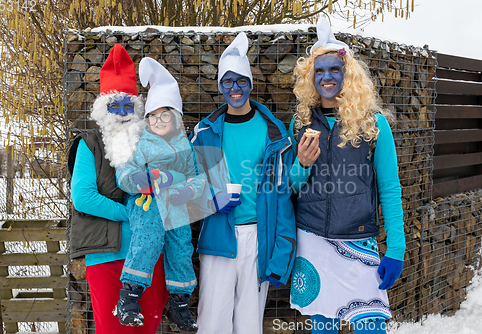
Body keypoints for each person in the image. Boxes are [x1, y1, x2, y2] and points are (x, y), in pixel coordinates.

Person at [288, 18, 405, 334]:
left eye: (334, 70)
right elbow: (291, 187)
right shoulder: (299, 125)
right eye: (320, 71)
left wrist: (396, 250)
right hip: (312, 240)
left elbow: (390, 189)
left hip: (358, 241)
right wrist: (301, 164)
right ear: (311, 78)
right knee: (322, 328)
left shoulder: (374, 124)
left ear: (347, 74)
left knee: (370, 327)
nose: (327, 77)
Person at [189, 32, 297, 334]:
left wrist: (281, 253)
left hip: (258, 238)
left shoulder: (275, 133)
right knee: (212, 323)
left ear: (250, 83)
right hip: (218, 237)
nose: (234, 88)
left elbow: (282, 197)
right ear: (220, 85)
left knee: (249, 325)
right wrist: (212, 200)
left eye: (241, 81)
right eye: (228, 82)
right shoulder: (204, 132)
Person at [68, 44, 168, 334]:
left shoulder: (149, 140)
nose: (123, 113)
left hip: (149, 256)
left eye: (128, 105)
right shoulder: (89, 143)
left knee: (147, 328)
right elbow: (83, 197)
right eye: (115, 106)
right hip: (106, 256)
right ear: (103, 109)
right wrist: (130, 213)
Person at [113, 57, 206, 332]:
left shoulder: (185, 148)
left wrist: (189, 190)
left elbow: (197, 179)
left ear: (176, 117)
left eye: (166, 115)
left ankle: (179, 303)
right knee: (149, 238)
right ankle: (129, 297)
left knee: (180, 246)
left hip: (176, 206)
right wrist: (138, 179)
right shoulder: (142, 145)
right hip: (148, 204)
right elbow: (124, 174)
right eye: (154, 115)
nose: (159, 120)